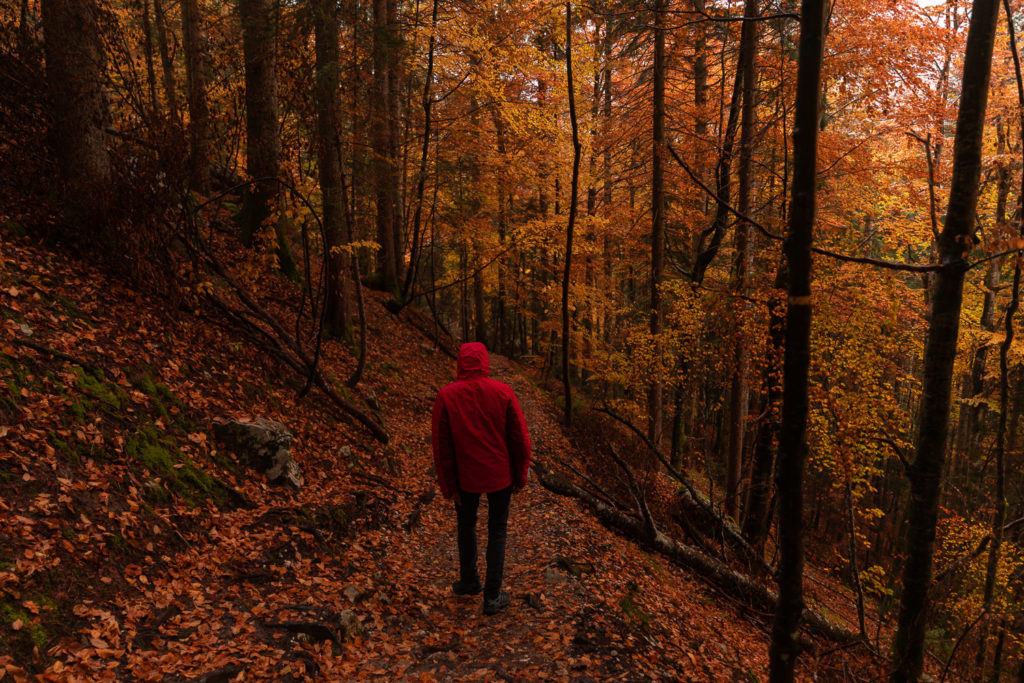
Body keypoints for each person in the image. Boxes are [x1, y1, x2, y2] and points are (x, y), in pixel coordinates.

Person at [431, 342, 531, 615]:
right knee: (497, 529)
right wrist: (520, 476)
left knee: (466, 526)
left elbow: (442, 447)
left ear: (461, 363)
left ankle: (469, 580)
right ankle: (491, 594)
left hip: (466, 479)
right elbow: (520, 439)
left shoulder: (446, 396)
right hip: (500, 475)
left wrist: (449, 486)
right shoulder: (503, 392)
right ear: (485, 362)